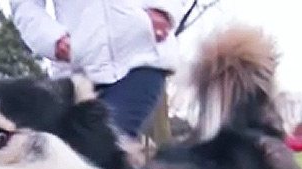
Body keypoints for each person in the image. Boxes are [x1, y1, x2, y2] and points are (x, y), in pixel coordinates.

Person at [10, 0, 184, 138]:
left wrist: (163, 9)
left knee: (108, 140)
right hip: (77, 67)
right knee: (74, 151)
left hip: (139, 56)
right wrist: (53, 40)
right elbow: (26, 6)